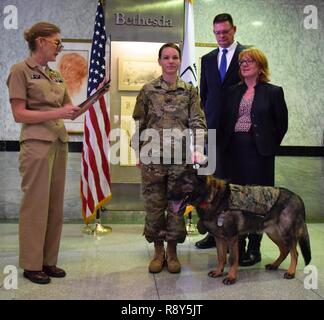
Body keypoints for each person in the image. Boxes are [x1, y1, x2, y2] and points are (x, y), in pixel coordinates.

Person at [6, 22, 107, 284]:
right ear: (40, 42)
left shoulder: (56, 75)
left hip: (59, 143)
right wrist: (58, 113)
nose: (59, 47)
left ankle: (48, 261)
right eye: (56, 42)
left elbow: (71, 110)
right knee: (35, 206)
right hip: (36, 145)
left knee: (54, 207)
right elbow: (19, 114)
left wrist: (95, 96)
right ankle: (31, 264)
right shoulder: (20, 71)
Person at [132, 43, 207, 274]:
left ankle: (172, 252)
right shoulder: (147, 90)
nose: (171, 61)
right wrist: (137, 152)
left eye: (175, 57)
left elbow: (197, 122)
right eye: (166, 57)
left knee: (176, 206)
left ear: (179, 61)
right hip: (152, 157)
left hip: (181, 159)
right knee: (154, 206)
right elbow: (138, 123)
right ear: (160, 61)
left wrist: (199, 149)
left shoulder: (190, 91)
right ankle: (158, 251)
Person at [220, 47, 288, 266]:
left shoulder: (273, 92)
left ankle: (254, 247)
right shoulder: (233, 92)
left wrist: (267, 147)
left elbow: (281, 125)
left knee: (258, 200)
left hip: (259, 154)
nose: (245, 64)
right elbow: (224, 122)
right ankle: (237, 245)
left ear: (260, 66)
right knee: (236, 199)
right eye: (241, 62)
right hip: (234, 153)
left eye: (249, 61)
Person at [196, 13, 246, 249]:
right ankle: (212, 234)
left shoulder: (247, 56)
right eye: (217, 32)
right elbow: (203, 97)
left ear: (234, 29)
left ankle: (238, 237)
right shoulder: (207, 59)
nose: (221, 36)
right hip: (212, 134)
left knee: (235, 186)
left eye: (225, 32)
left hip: (239, 133)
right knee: (212, 186)